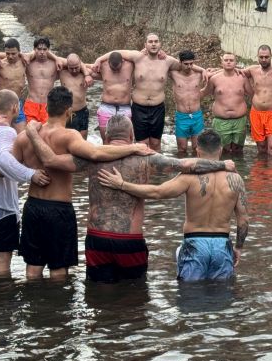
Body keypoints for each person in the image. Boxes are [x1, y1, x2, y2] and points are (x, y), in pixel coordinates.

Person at [26, 115, 234, 283]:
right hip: (129, 240)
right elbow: (187, 165)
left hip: (97, 237)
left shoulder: (90, 158)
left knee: (99, 296)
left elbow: (50, 160)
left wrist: (32, 133)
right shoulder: (146, 157)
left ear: (106, 136)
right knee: (135, 296)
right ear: (132, 134)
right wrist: (222, 165)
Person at [12, 86, 152, 280]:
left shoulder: (24, 136)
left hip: (33, 206)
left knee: (33, 269)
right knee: (58, 270)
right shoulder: (69, 136)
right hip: (59, 209)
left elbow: (8, 167)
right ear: (69, 111)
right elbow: (95, 153)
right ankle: (55, 308)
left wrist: (30, 174)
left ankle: (33, 308)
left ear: (46, 108)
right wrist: (133, 148)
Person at [98, 129, 249, 282]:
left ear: (197, 151)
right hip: (222, 245)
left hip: (195, 243)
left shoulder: (189, 177)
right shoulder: (236, 180)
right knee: (222, 296)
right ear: (221, 150)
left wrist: (122, 184)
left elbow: (157, 192)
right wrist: (238, 248)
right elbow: (243, 220)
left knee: (190, 296)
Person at [0, 89, 51, 275]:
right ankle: (1, 300)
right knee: (3, 260)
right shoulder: (6, 132)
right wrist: (31, 174)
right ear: (15, 107)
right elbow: (3, 163)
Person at [94, 34, 200, 151]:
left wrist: (203, 70)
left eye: (156, 41)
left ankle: (155, 169)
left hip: (158, 108)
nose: (153, 44)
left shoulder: (167, 61)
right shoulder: (137, 57)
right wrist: (99, 59)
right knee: (141, 145)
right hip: (139, 108)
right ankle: (143, 168)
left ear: (160, 44)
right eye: (150, 42)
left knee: (155, 143)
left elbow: (185, 65)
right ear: (145, 44)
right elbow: (117, 52)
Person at [203, 53, 253, 155]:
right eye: (226, 60)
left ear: (236, 63)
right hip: (221, 121)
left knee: (238, 150)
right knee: (222, 150)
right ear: (222, 62)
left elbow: (253, 94)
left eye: (231, 60)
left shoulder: (242, 78)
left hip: (240, 120)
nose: (229, 62)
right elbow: (203, 93)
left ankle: (239, 170)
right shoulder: (214, 79)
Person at [170, 50, 207, 155]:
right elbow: (163, 63)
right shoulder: (173, 74)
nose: (189, 66)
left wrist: (203, 70)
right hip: (181, 117)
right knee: (182, 150)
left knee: (197, 149)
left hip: (197, 116)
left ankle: (197, 170)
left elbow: (217, 71)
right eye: (186, 64)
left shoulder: (199, 74)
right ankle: (183, 171)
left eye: (191, 63)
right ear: (180, 63)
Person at [21, 36, 61, 125]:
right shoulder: (27, 62)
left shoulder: (55, 63)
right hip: (31, 104)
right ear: (34, 49)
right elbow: (12, 55)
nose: (42, 52)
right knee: (30, 133)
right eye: (39, 49)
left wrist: (86, 73)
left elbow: (73, 62)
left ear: (48, 50)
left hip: (48, 106)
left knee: (46, 135)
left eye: (44, 49)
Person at [93, 51, 134, 134]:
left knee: (125, 140)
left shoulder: (130, 65)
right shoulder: (103, 66)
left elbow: (145, 59)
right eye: (113, 68)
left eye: (118, 68)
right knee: (106, 139)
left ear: (122, 61)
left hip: (124, 108)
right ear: (108, 62)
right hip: (106, 107)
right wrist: (86, 75)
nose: (115, 70)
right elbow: (82, 66)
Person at [0, 38, 28, 132]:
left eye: (13, 53)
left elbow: (39, 52)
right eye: (7, 53)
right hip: (2, 105)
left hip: (17, 103)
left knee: (22, 134)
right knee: (0, 133)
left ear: (19, 52)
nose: (10, 56)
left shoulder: (24, 61)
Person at [58, 53, 94, 139]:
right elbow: (54, 58)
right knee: (67, 139)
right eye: (71, 68)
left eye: (76, 67)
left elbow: (99, 69)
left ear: (80, 64)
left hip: (82, 111)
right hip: (66, 112)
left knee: (82, 139)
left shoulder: (87, 73)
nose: (74, 70)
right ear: (67, 65)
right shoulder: (62, 71)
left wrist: (87, 75)